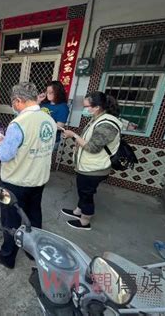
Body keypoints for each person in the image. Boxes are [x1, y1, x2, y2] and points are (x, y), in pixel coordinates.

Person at [0, 83, 56, 269]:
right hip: (38, 179)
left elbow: (4, 155)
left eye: (14, 102)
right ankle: (34, 252)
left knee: (11, 221)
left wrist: (1, 143)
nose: (14, 105)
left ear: (18, 101)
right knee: (34, 216)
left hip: (16, 182)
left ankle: (7, 256)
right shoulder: (48, 119)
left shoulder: (18, 123)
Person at [61, 91, 122, 231]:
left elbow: (92, 147)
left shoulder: (108, 124)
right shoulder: (97, 118)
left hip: (94, 169)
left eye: (87, 106)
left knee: (86, 194)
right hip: (87, 166)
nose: (85, 109)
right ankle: (78, 211)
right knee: (83, 191)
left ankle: (85, 221)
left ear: (97, 107)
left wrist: (74, 135)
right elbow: (89, 140)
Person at [38, 81, 70, 149]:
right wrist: (38, 101)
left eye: (51, 92)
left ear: (58, 93)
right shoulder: (44, 103)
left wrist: (41, 123)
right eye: (47, 92)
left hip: (49, 141)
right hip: (37, 138)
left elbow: (59, 126)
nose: (48, 94)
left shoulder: (63, 107)